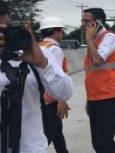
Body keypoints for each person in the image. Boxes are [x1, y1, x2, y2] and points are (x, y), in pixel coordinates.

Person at [0, 0, 73, 153]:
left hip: (30, 146)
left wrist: (43, 64)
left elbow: (65, 92)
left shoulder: (37, 52)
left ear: (8, 23)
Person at [82, 8, 115, 153]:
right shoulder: (93, 42)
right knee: (97, 143)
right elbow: (91, 75)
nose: (83, 24)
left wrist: (88, 38)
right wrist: (89, 100)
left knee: (104, 143)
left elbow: (98, 60)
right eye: (83, 20)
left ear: (98, 22)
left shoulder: (109, 37)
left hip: (110, 97)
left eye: (87, 21)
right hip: (95, 98)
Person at [39, 17, 71, 153]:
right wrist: (61, 100)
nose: (62, 35)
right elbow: (55, 78)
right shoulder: (55, 49)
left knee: (58, 132)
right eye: (62, 31)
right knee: (48, 134)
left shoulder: (40, 46)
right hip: (51, 99)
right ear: (56, 32)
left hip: (42, 97)